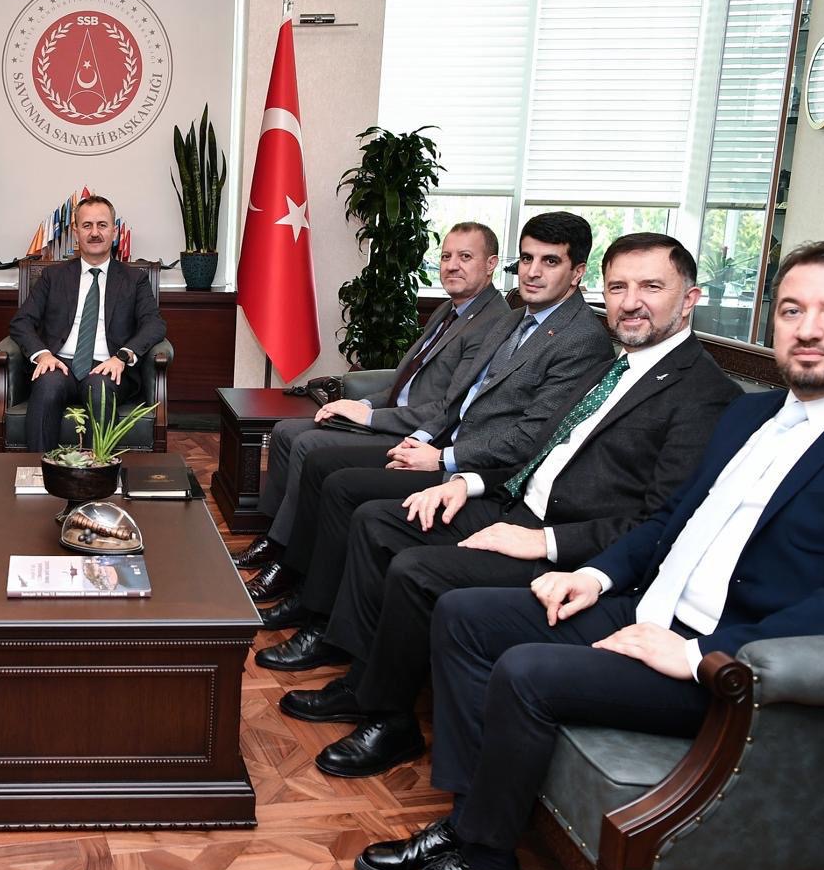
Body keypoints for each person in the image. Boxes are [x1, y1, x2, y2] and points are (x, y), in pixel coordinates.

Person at [357, 238, 824, 870]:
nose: (808, 328)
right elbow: (671, 518)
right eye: (792, 310)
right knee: (463, 617)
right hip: (648, 609)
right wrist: (594, 574)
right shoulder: (752, 416)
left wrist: (701, 653)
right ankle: (467, 822)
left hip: (727, 661)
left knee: (525, 671)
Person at [280, 233, 740, 779]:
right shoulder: (615, 367)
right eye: (618, 287)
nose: (630, 301)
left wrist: (544, 540)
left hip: (568, 545)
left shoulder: (705, 394)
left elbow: (662, 524)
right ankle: (361, 679)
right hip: (513, 502)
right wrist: (467, 483)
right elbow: (541, 453)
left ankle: (389, 719)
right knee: (381, 520)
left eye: (651, 287)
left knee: (415, 569)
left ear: (689, 299)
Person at [255, 212, 615, 671]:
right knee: (325, 468)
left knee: (343, 487)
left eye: (550, 261)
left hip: (484, 474)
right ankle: (307, 594)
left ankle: (323, 625)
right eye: (527, 259)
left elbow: (531, 437)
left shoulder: (581, 339)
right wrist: (422, 439)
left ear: (577, 272)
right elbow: (457, 398)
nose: (533, 271)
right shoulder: (515, 319)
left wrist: (443, 458)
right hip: (442, 444)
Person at [234, 222, 509, 596]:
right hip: (391, 415)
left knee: (308, 445)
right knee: (285, 431)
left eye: (465, 256)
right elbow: (406, 379)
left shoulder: (493, 323)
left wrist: (370, 416)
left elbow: (451, 407)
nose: (452, 265)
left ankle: (288, 559)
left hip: (417, 436)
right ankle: (274, 536)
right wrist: (360, 402)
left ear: (491, 264)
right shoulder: (450, 308)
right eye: (446, 256)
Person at [7, 195, 167, 453]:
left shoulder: (134, 279)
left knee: (100, 389)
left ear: (114, 231)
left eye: (102, 225)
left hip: (108, 366)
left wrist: (122, 356)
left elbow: (154, 324)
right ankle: (39, 469)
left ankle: (98, 471)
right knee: (47, 385)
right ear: (76, 232)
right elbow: (21, 321)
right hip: (60, 363)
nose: (94, 233)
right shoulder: (53, 276)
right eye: (87, 225)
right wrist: (43, 354)